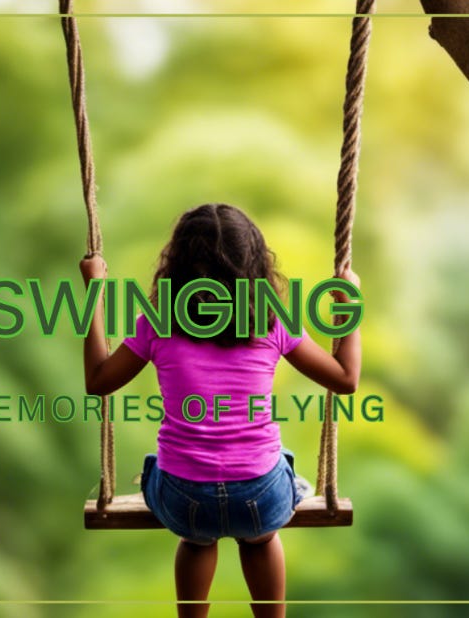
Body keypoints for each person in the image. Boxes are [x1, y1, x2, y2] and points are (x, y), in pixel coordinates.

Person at [80, 203, 361, 618]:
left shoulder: (158, 320)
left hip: (183, 497)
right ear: (255, 268)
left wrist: (94, 295)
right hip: (260, 494)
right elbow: (345, 378)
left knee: (195, 537)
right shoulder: (271, 322)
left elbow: (99, 381)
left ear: (175, 268)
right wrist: (348, 305)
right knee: (263, 536)